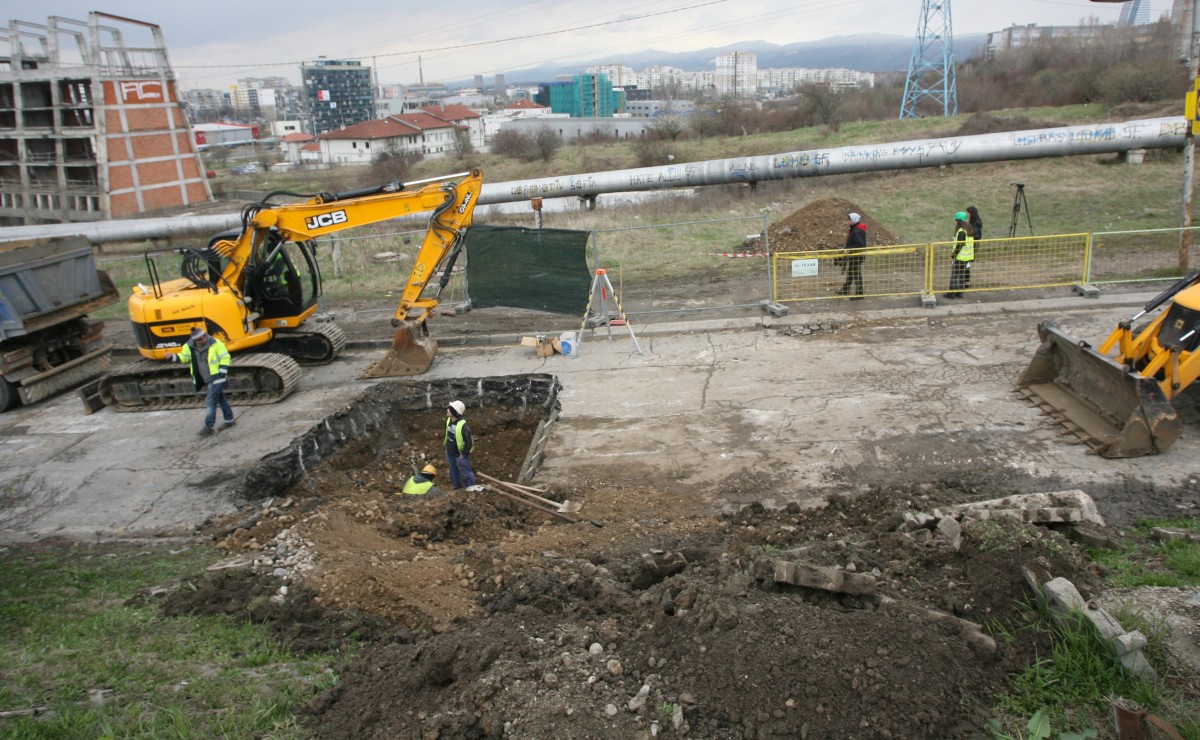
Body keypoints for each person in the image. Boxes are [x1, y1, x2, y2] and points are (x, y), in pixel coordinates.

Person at [168, 327, 234, 435]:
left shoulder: (216, 343)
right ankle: (229, 419)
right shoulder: (190, 347)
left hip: (216, 378)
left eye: (204, 337)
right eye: (200, 339)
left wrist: (221, 373)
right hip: (207, 378)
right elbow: (183, 357)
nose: (203, 340)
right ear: (195, 340)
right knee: (220, 399)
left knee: (210, 402)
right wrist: (172, 357)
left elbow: (225, 357)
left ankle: (208, 427)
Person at [444, 400, 476, 490]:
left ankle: (472, 490)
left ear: (455, 411)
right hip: (450, 453)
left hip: (460, 455)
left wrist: (464, 454)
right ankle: (457, 489)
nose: (447, 409)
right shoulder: (449, 421)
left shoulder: (463, 425)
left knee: (466, 473)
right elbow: (448, 435)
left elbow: (469, 442)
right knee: (453, 472)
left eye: (449, 408)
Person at [836, 212, 867, 300]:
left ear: (853, 220)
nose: (847, 221)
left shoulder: (857, 231)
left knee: (856, 274)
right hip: (854, 255)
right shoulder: (855, 229)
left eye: (849, 219)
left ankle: (859, 294)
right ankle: (846, 289)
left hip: (856, 256)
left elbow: (860, 244)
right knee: (850, 273)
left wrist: (849, 249)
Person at [947, 211, 975, 299]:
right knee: (962, 275)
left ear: (959, 221)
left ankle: (952, 293)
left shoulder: (961, 231)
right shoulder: (969, 229)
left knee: (955, 275)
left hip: (960, 257)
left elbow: (959, 245)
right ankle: (960, 293)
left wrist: (953, 255)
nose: (955, 222)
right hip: (967, 257)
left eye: (956, 220)